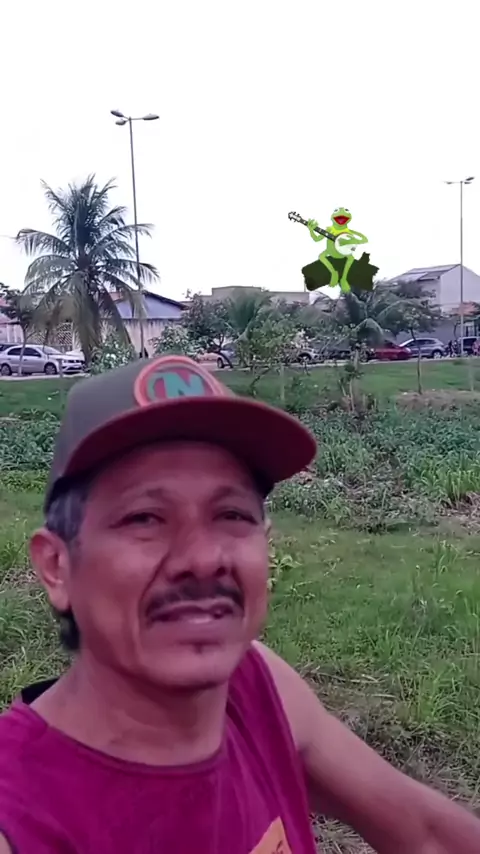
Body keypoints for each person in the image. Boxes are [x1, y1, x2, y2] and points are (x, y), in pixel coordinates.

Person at [0, 354, 479, 854]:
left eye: (231, 514)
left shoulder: (255, 688)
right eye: (144, 518)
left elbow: (427, 834)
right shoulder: (21, 814)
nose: (203, 559)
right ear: (57, 566)